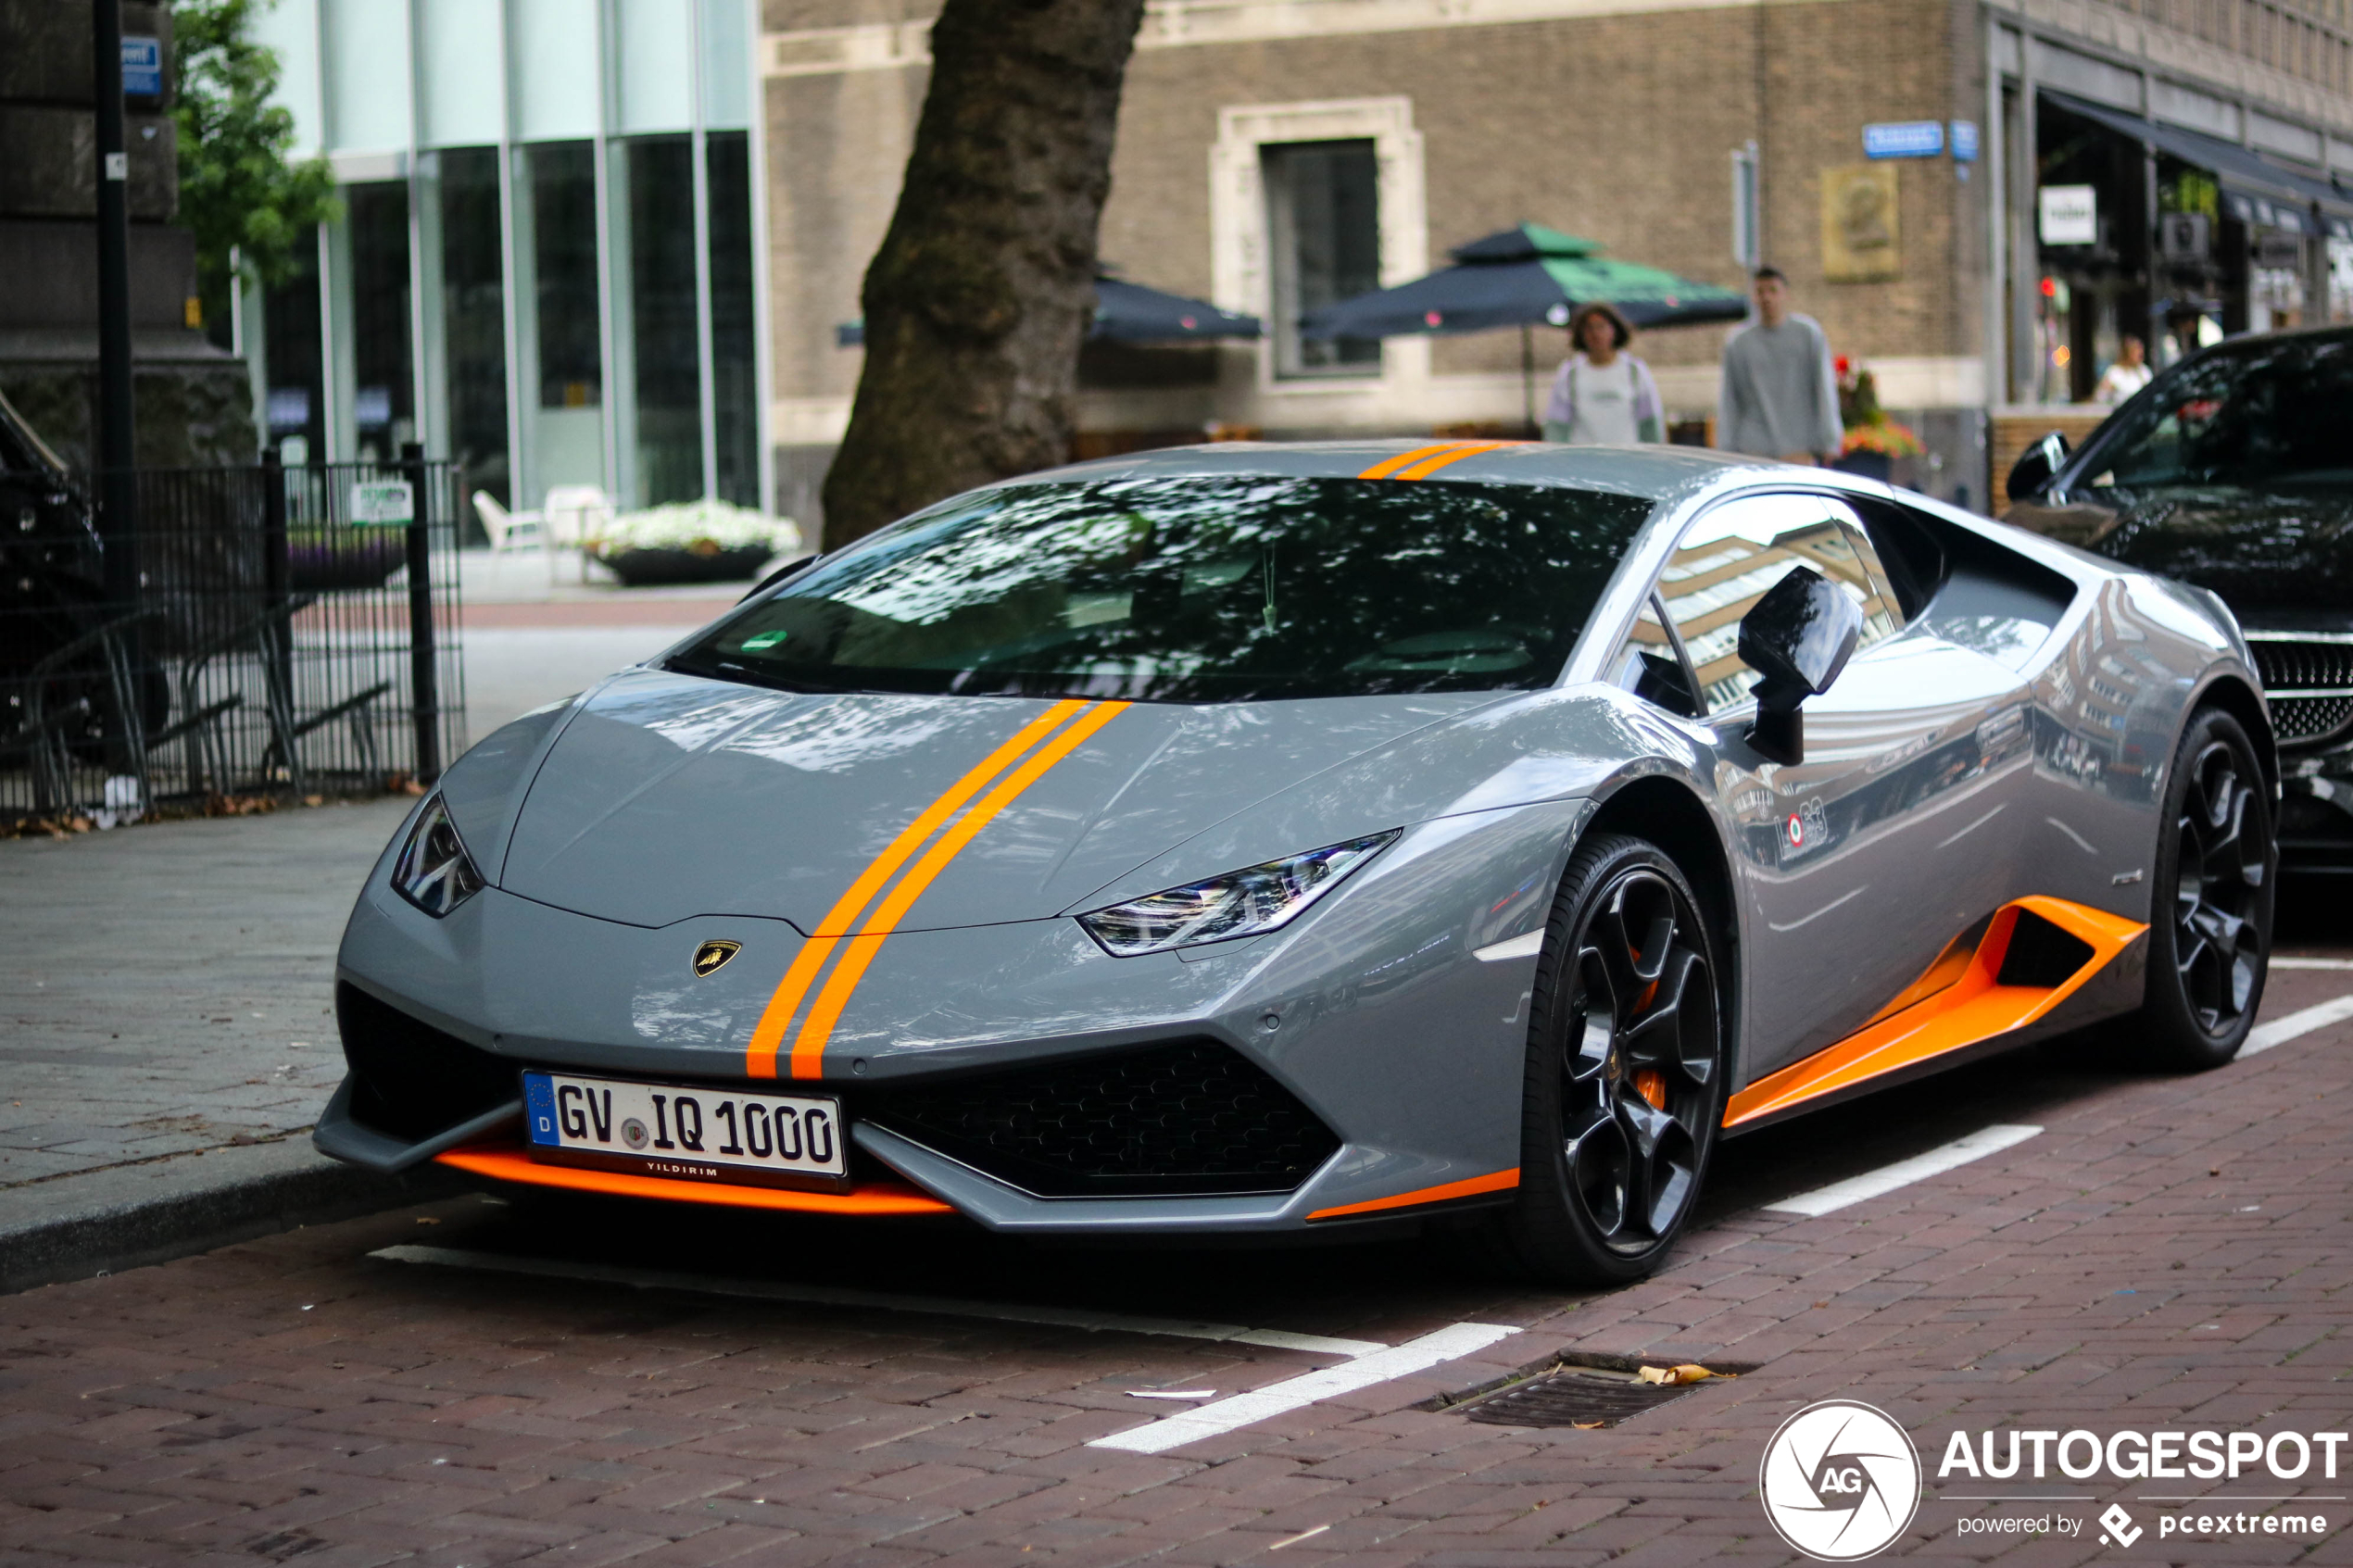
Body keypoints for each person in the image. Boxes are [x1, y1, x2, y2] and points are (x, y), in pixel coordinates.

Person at [1717, 267, 1843, 464]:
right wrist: (1725, 447)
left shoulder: (1808, 334)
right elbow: (1729, 399)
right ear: (1753, 297)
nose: (1767, 298)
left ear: (1785, 294)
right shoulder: (1738, 343)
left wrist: (1829, 441)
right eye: (1760, 292)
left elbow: (1823, 388)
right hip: (1753, 450)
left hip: (1799, 448)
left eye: (1773, 290)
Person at [1541, 302, 1665, 444]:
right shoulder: (1570, 373)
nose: (1596, 334)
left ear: (1614, 330)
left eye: (1601, 327)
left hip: (1626, 456)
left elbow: (1650, 421)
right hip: (1584, 457)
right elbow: (1557, 424)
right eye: (1589, 328)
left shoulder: (1634, 370)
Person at [2093, 334, 2153, 405]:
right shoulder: (2115, 372)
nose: (2140, 354)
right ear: (2127, 353)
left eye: (2141, 351)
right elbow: (2100, 397)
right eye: (2135, 351)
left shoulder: (2144, 371)